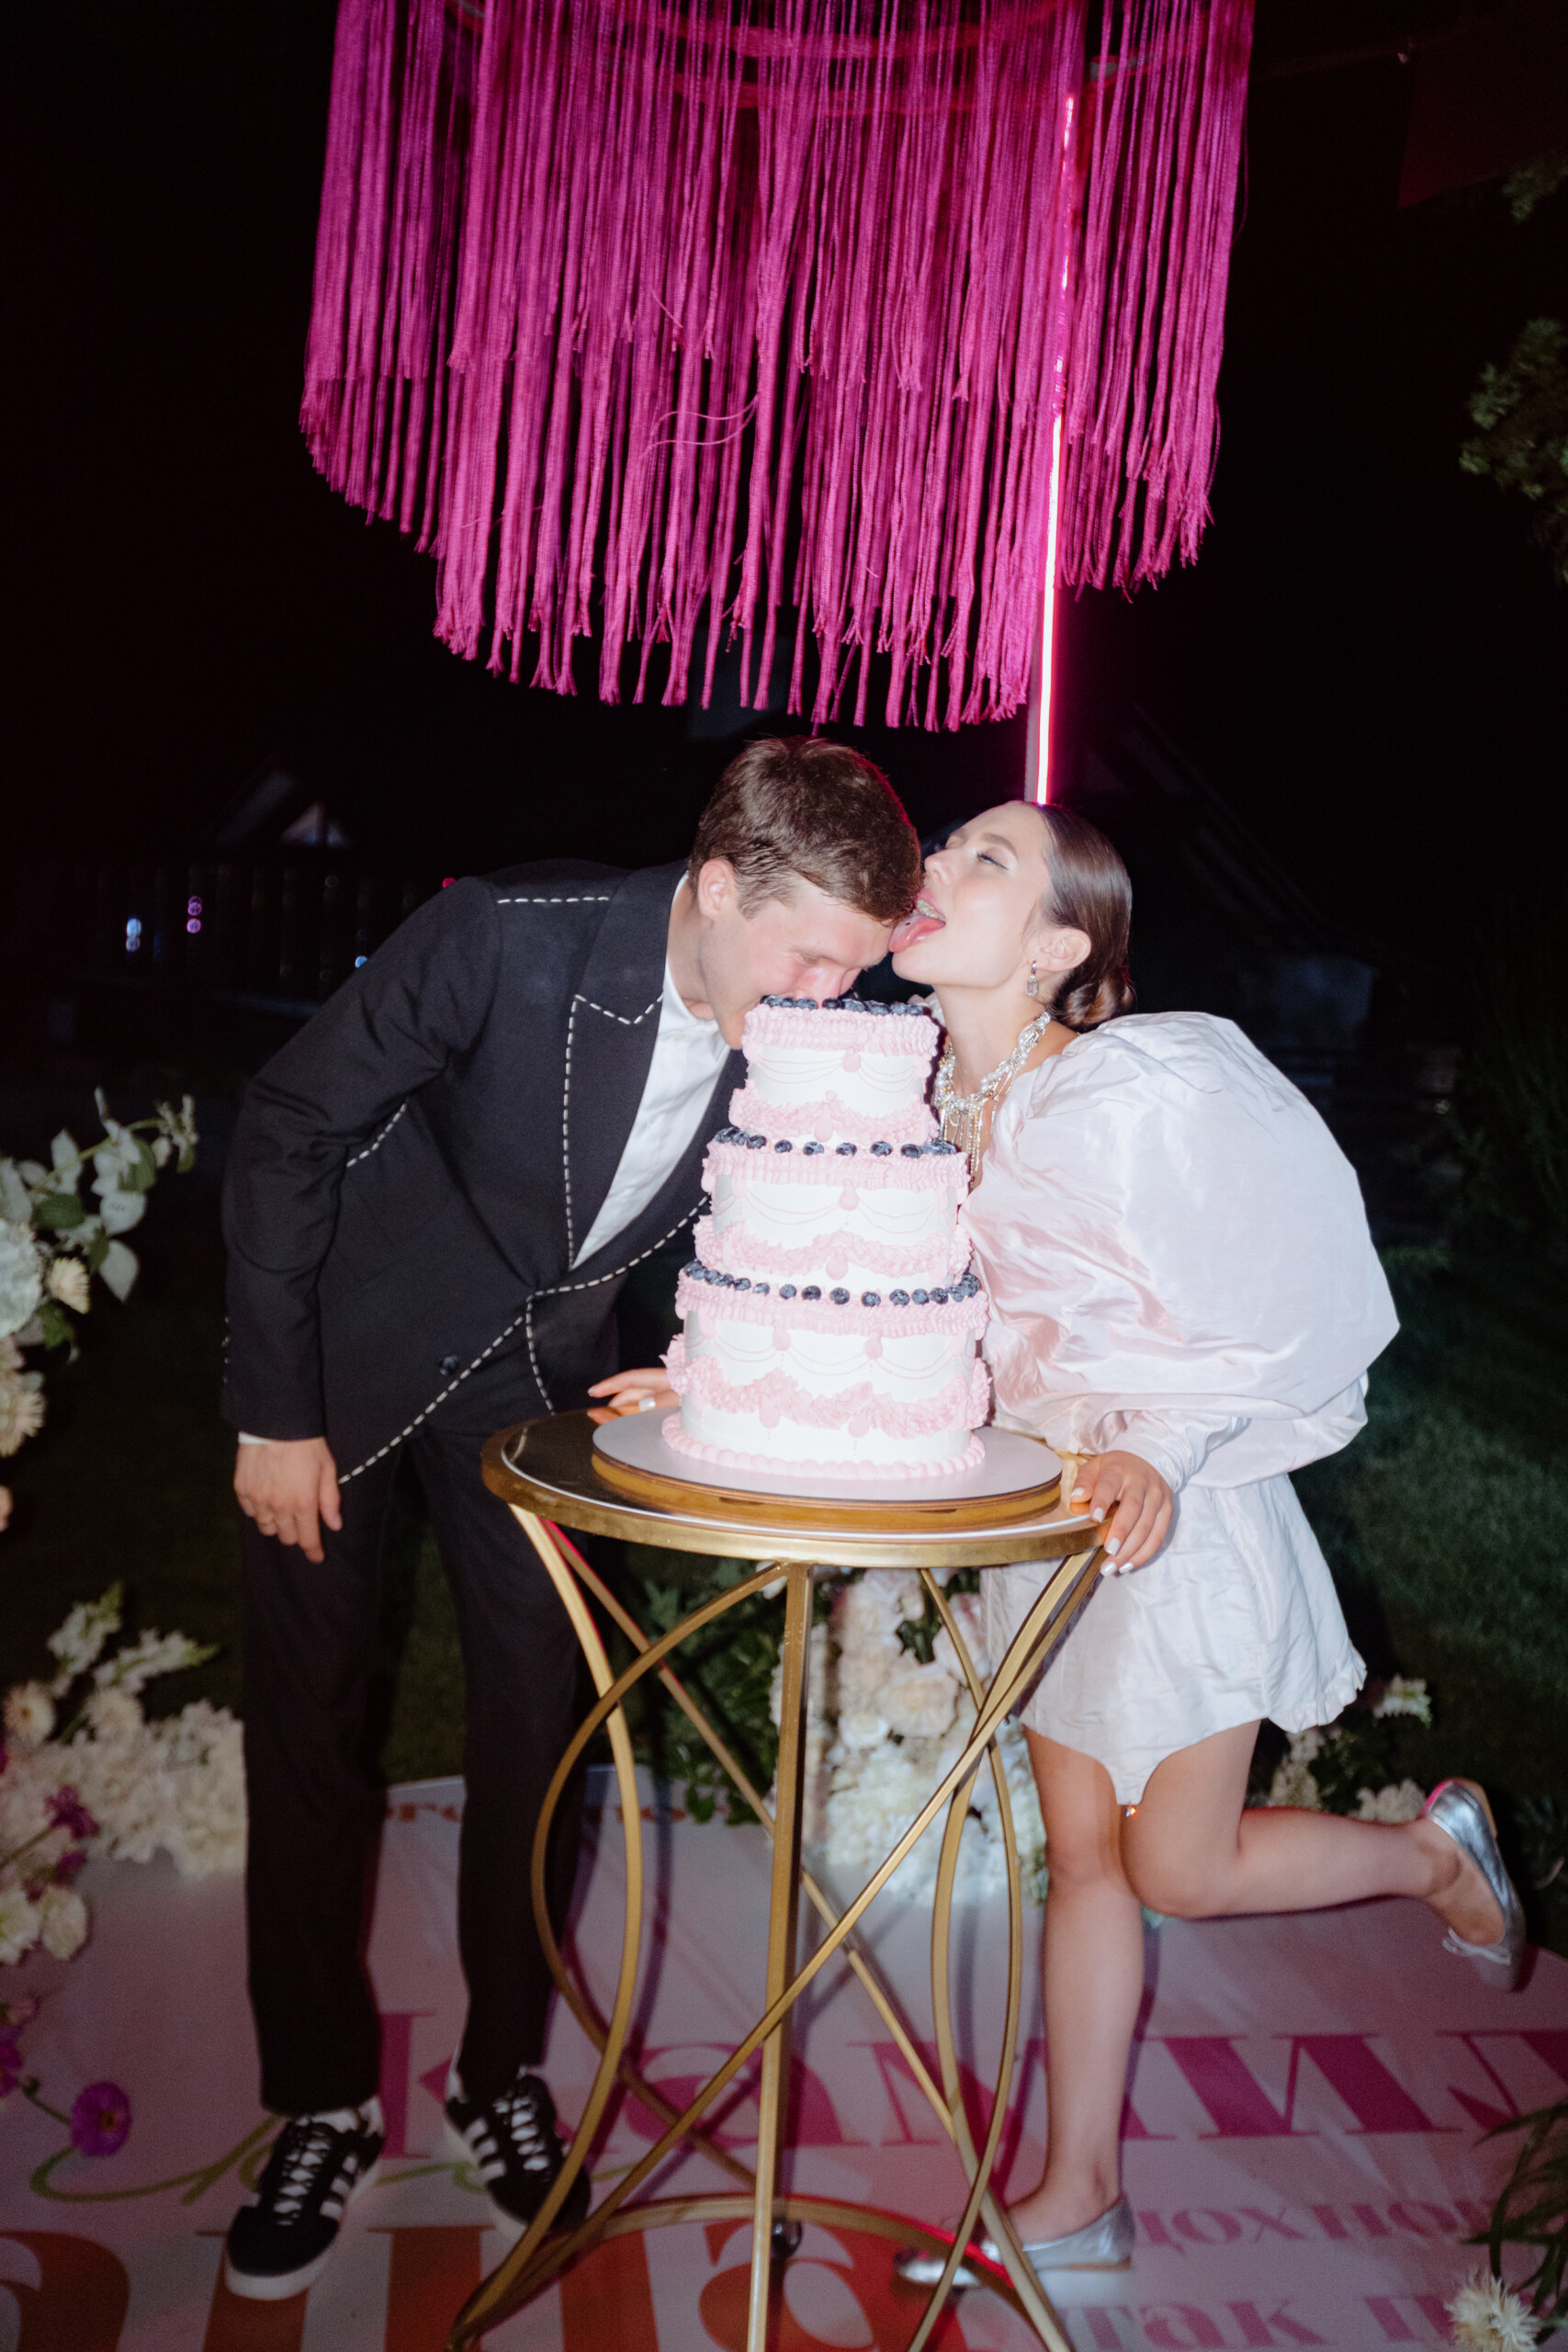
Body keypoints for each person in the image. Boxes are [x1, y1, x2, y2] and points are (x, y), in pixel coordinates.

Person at [219, 737, 919, 2301]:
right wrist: (273, 1408)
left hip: (539, 1390)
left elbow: (771, 1225)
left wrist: (698, 1358)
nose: (830, 1000)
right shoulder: (505, 934)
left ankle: (502, 2077)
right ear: (717, 886)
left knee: (540, 1734)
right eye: (811, 959)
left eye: (854, 969)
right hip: (343, 1353)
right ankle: (321, 2099)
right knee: (309, 1730)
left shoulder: (797, 1021)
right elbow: (285, 1125)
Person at [885, 797, 1525, 2292]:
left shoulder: (1129, 1089)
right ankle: (1079, 2194)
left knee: (1177, 1865)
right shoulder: (919, 1093)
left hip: (1172, 1517)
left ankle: (1433, 1856)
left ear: (1058, 949)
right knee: (1084, 1863)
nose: (937, 866)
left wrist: (1159, 1453)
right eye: (949, 843)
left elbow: (1270, 1293)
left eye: (986, 859)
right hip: (1042, 1525)